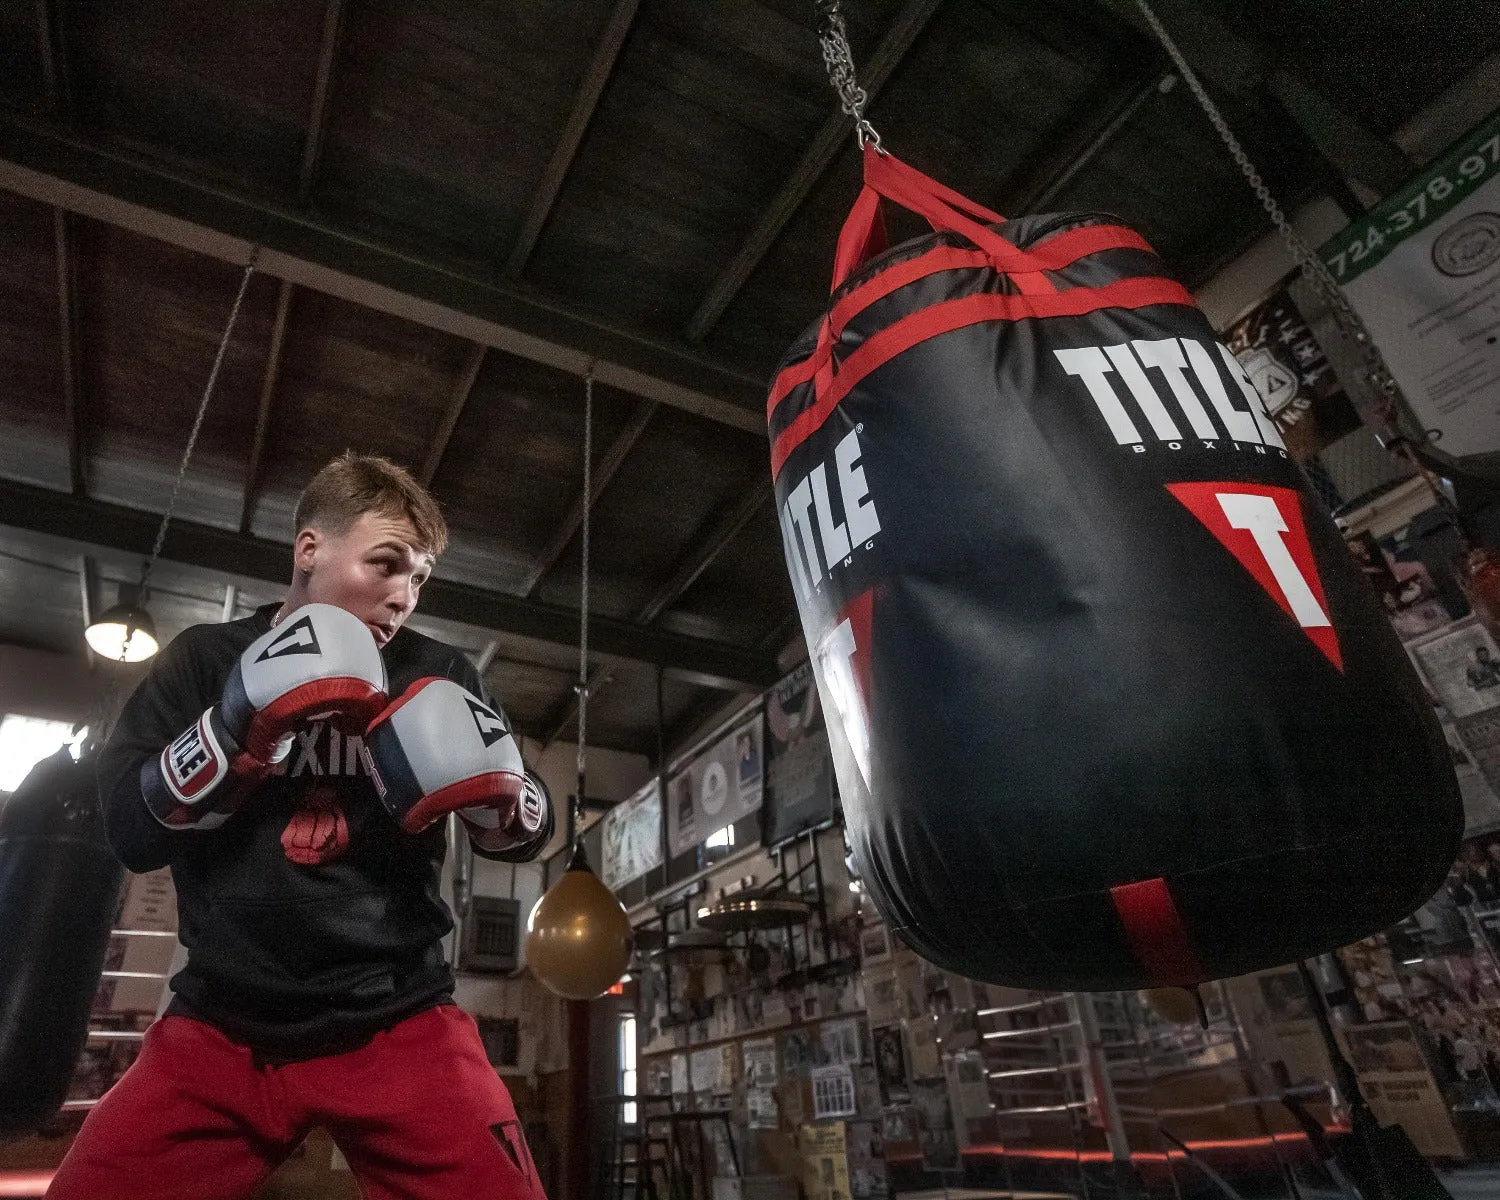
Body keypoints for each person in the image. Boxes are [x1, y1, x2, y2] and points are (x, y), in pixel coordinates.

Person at [48, 453, 554, 1200]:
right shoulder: (207, 660)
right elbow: (129, 829)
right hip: (223, 1025)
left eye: (419, 579)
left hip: (400, 1020)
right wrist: (229, 736)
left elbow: (528, 823)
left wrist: (505, 801)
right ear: (309, 549)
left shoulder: (437, 672)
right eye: (387, 565)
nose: (403, 597)